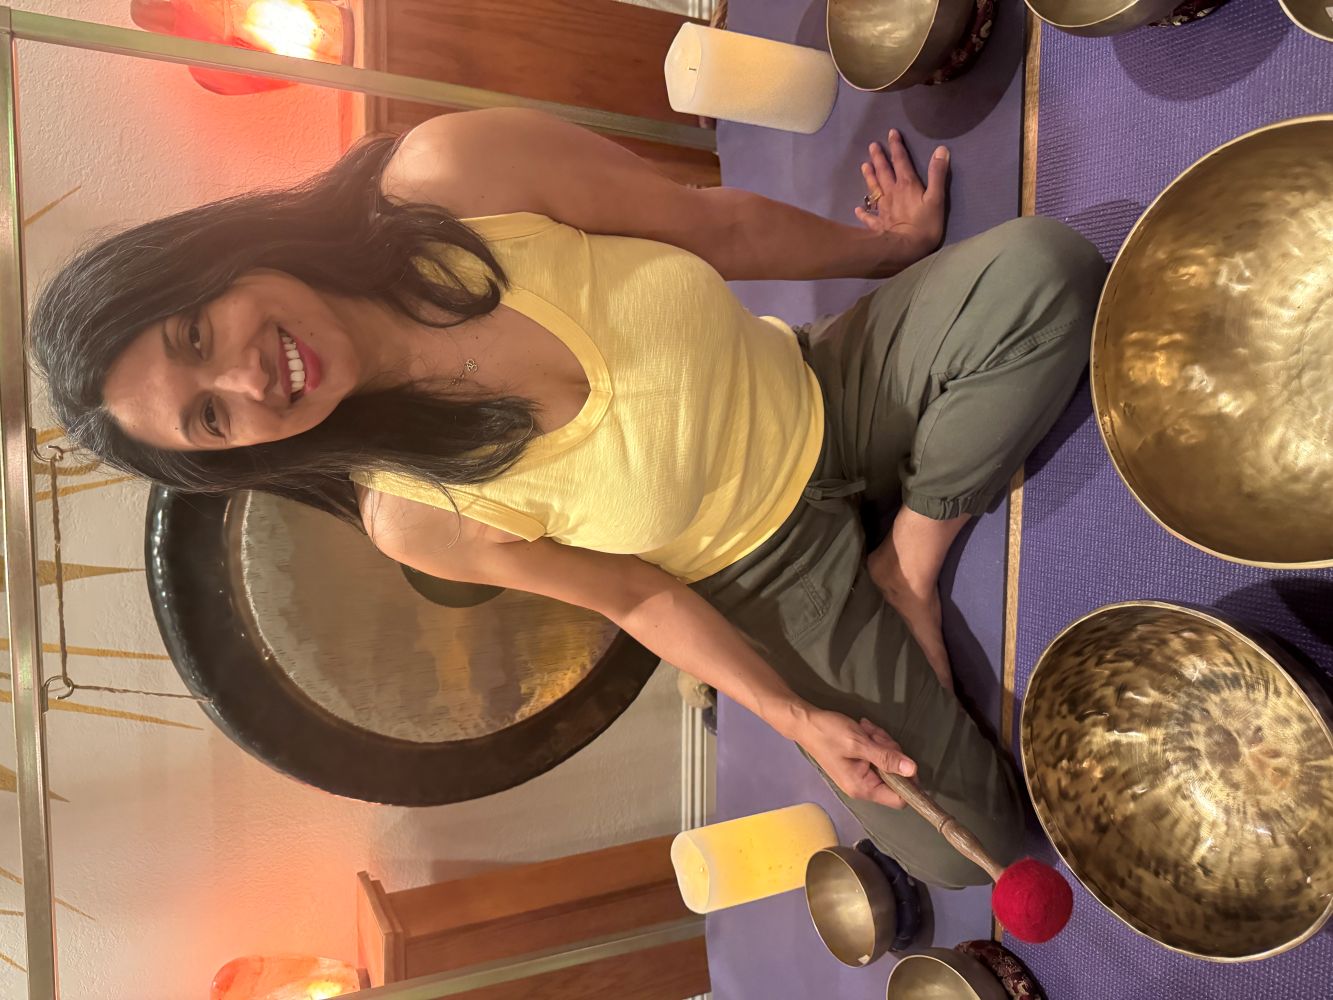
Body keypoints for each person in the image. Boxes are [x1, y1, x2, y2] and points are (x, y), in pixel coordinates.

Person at [30, 108, 1106, 887]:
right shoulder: (413, 513)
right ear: (235, 458)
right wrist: (797, 719)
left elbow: (712, 225)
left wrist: (894, 250)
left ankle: (903, 560)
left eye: (194, 336)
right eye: (211, 418)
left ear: (209, 260)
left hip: (821, 384)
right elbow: (636, 598)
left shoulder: (453, 176)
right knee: (969, 844)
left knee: (1044, 275)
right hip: (762, 577)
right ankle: (878, 579)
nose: (245, 380)